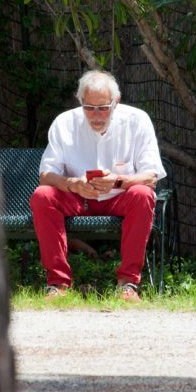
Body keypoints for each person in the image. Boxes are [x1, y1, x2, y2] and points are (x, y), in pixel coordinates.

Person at [30, 70, 166, 302]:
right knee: (42, 195)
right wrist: (72, 184)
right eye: (89, 107)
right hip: (78, 198)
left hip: (119, 197)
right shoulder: (64, 123)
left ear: (116, 102)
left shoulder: (137, 120)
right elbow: (46, 175)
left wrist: (118, 181)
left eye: (103, 108)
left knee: (143, 194)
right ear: (80, 102)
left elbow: (151, 176)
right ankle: (58, 284)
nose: (96, 115)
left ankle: (128, 283)